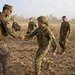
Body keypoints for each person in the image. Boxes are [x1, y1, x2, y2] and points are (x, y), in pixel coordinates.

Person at [0, 4, 24, 75]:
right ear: (6, 10)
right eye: (10, 11)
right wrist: (19, 36)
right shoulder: (3, 18)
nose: (11, 13)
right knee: (6, 57)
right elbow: (9, 30)